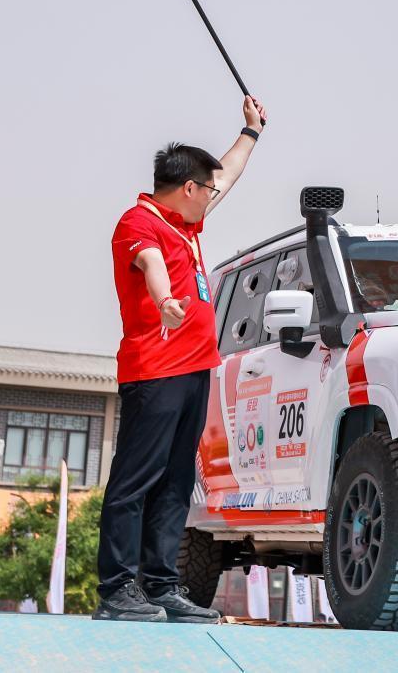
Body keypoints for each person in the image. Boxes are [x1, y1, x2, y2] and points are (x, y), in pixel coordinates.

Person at [95, 97, 267, 623]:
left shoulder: (186, 224)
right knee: (136, 479)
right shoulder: (138, 223)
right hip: (155, 372)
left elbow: (228, 173)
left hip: (195, 371)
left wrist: (251, 131)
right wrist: (166, 300)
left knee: (175, 483)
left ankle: (161, 585)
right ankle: (117, 589)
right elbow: (150, 264)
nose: (214, 196)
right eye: (207, 190)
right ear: (188, 188)